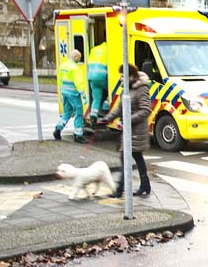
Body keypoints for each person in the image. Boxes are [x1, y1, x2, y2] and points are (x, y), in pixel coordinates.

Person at [99, 63, 153, 198]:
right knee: (137, 157)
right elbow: (119, 108)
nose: (121, 79)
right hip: (129, 130)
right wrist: (106, 119)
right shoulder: (127, 89)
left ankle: (120, 190)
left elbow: (146, 110)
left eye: (123, 76)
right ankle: (145, 185)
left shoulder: (141, 89)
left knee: (125, 157)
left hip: (137, 131)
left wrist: (128, 119)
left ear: (131, 76)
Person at [54, 49, 87, 143]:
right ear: (76, 58)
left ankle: (58, 129)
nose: (79, 60)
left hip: (65, 93)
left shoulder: (63, 66)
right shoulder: (75, 68)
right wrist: (83, 95)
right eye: (79, 58)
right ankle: (78, 135)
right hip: (74, 94)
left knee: (67, 112)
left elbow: (60, 80)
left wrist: (62, 92)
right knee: (78, 113)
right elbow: (78, 83)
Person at [87, 41, 108, 126]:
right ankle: (105, 107)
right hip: (102, 76)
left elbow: (88, 63)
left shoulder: (94, 49)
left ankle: (93, 116)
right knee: (112, 91)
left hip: (91, 77)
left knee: (96, 98)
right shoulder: (108, 49)